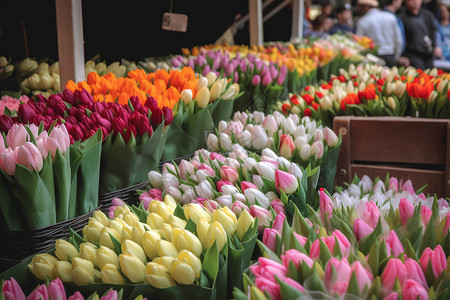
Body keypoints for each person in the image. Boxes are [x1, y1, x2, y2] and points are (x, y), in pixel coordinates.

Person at [355, 0, 403, 67]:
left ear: (366, 7)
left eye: (359, 7)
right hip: (390, 56)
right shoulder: (391, 17)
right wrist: (397, 56)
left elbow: (359, 43)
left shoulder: (363, 21)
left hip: (373, 59)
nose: (358, 9)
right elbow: (399, 40)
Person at [398, 0, 441, 69]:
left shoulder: (428, 14)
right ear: (406, 2)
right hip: (413, 54)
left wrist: (437, 45)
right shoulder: (402, 17)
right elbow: (400, 38)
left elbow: (435, 31)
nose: (415, 2)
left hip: (429, 53)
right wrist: (401, 55)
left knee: (432, 76)